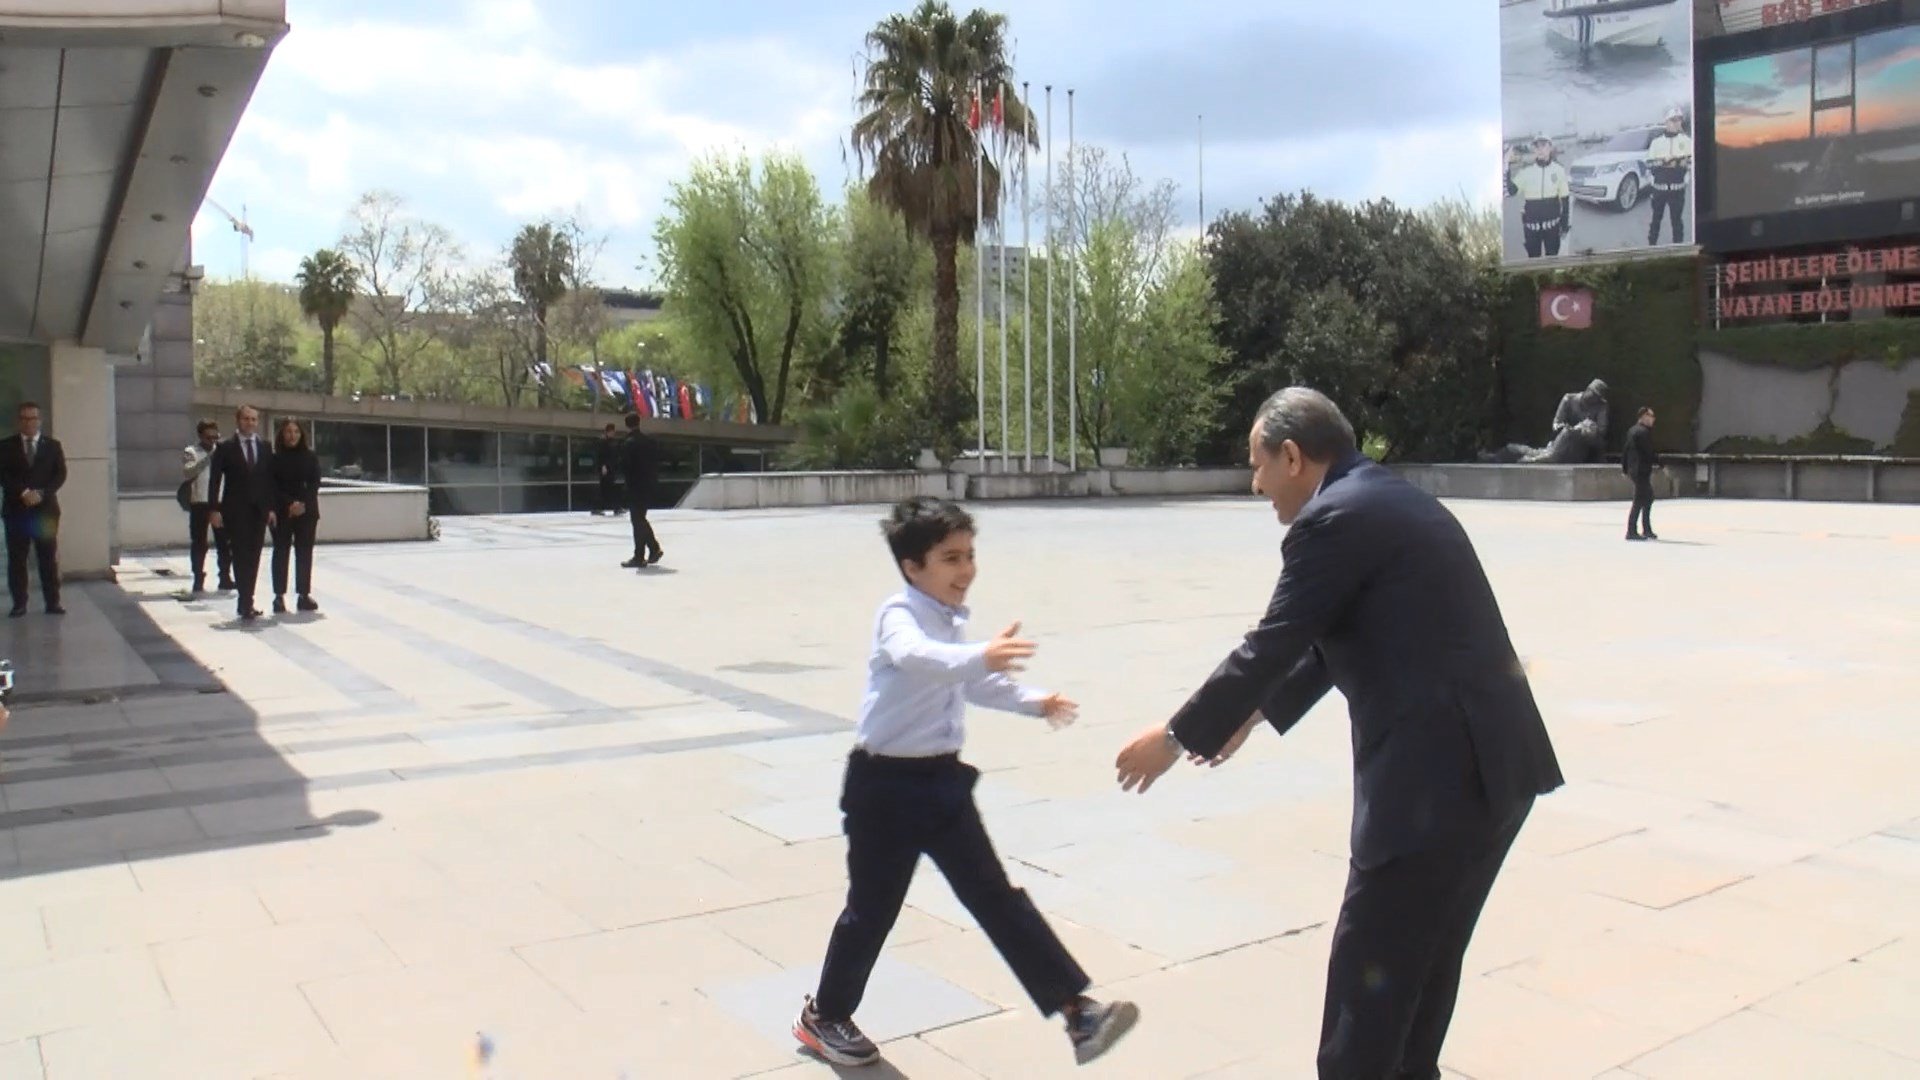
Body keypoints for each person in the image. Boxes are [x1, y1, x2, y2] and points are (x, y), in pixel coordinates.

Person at [1114, 388, 1564, 1080]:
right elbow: (1332, 638)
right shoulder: (1386, 498)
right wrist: (1250, 716)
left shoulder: (1333, 519)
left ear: (1292, 457)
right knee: (1420, 983)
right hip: (1495, 774)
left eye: (1258, 465)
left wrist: (1175, 737)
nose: (1256, 484)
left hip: (1431, 792)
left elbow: (1273, 641)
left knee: (1365, 1008)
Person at [794, 497, 1138, 1069]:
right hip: (884, 790)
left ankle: (1078, 1012)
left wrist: (1036, 701)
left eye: (970, 555)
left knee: (995, 897)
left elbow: (970, 682)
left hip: (942, 785)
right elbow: (921, 658)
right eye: (951, 558)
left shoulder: (951, 624)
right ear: (912, 566)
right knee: (872, 910)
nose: (966, 569)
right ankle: (824, 1016)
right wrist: (981, 654)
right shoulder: (899, 615)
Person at [207, 405, 277, 622]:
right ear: (238, 421)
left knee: (254, 556)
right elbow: (215, 480)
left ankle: (248, 599)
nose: (250, 423)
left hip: (259, 510)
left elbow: (270, 479)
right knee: (239, 554)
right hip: (235, 510)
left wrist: (271, 508)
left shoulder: (265, 447)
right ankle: (245, 601)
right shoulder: (225, 447)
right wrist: (214, 509)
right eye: (246, 419)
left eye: (254, 419)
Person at [1, 401, 66, 617]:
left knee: (47, 557)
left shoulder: (52, 446)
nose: (29, 423)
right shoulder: (6, 446)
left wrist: (42, 493)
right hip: (17, 511)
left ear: (40, 420)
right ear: (19, 421)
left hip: (44, 511)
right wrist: (23, 492)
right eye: (25, 418)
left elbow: (60, 475)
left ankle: (53, 602)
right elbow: (3, 475)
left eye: (33, 418)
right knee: (17, 559)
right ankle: (19, 604)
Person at [268, 416, 322, 612]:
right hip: (283, 512)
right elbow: (272, 486)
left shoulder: (310, 456)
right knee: (281, 552)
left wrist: (302, 503)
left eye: (296, 432)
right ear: (282, 434)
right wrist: (289, 504)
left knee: (304, 552)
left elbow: (315, 482)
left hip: (307, 511)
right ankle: (279, 596)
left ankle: (303, 595)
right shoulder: (274, 459)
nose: (293, 435)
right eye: (289, 432)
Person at [183, 419, 233, 595]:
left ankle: (225, 576)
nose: (212, 441)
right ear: (200, 436)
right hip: (199, 502)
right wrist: (209, 457)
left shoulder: (223, 451)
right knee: (199, 542)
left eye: (215, 437)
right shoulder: (191, 452)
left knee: (224, 542)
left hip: (220, 502)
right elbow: (188, 472)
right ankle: (198, 577)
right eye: (208, 437)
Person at [1507, 135, 1571, 258]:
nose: (1540, 149)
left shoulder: (1559, 170)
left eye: (1543, 145)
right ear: (1534, 150)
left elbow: (1565, 199)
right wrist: (1507, 165)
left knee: (1552, 260)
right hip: (1532, 228)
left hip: (1552, 227)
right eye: (1537, 146)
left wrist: (1564, 225)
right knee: (1533, 261)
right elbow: (1511, 191)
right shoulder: (1526, 171)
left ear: (1550, 147)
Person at [619, 412, 663, 569]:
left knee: (637, 520)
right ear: (639, 422)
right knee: (640, 519)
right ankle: (652, 549)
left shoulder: (629, 443)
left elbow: (626, 467)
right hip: (648, 485)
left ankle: (642, 555)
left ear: (627, 425)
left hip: (635, 487)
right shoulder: (650, 442)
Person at [1646, 109, 1692, 246]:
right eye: (1673, 120)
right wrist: (1665, 162)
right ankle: (1651, 247)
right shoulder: (1656, 142)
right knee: (1655, 220)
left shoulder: (1687, 141)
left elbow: (1690, 163)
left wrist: (1679, 164)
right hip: (1659, 190)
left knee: (1677, 222)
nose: (1677, 123)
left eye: (1679, 120)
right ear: (1666, 122)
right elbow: (1650, 164)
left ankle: (1678, 249)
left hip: (1677, 190)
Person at [1623, 406, 1660, 541]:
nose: (1653, 419)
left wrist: (1625, 468)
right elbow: (1648, 452)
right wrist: (1660, 463)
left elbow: (1626, 450)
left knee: (1648, 497)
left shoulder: (1632, 430)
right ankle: (1631, 531)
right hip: (1641, 471)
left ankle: (1646, 529)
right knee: (1639, 500)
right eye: (1651, 416)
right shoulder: (1643, 432)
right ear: (1644, 417)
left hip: (1635, 470)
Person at [593, 423, 623, 517]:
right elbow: (600, 455)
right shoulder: (603, 441)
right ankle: (599, 508)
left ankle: (615, 508)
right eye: (612, 432)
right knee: (606, 489)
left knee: (609, 489)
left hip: (611, 468)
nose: (613, 433)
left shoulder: (612, 442)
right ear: (608, 432)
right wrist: (603, 466)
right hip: (605, 469)